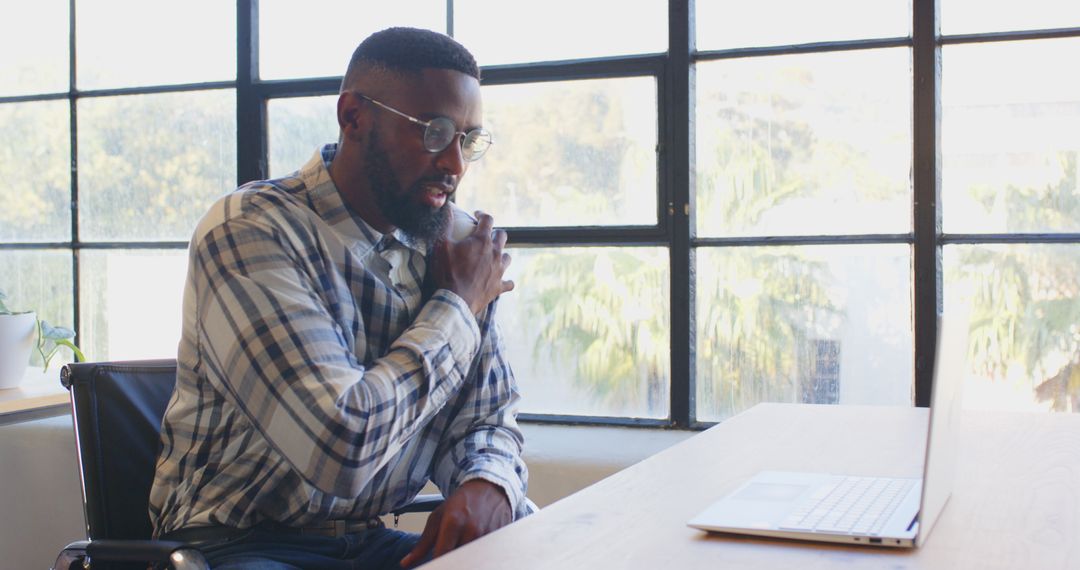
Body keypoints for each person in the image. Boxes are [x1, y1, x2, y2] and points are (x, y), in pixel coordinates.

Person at [148, 27, 530, 570]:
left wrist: (486, 483)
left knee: (538, 549)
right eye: (433, 132)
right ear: (353, 117)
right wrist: (456, 304)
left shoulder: (455, 246)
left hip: (365, 541)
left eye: (467, 140)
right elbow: (338, 449)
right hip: (234, 545)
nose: (455, 165)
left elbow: (488, 418)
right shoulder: (252, 230)